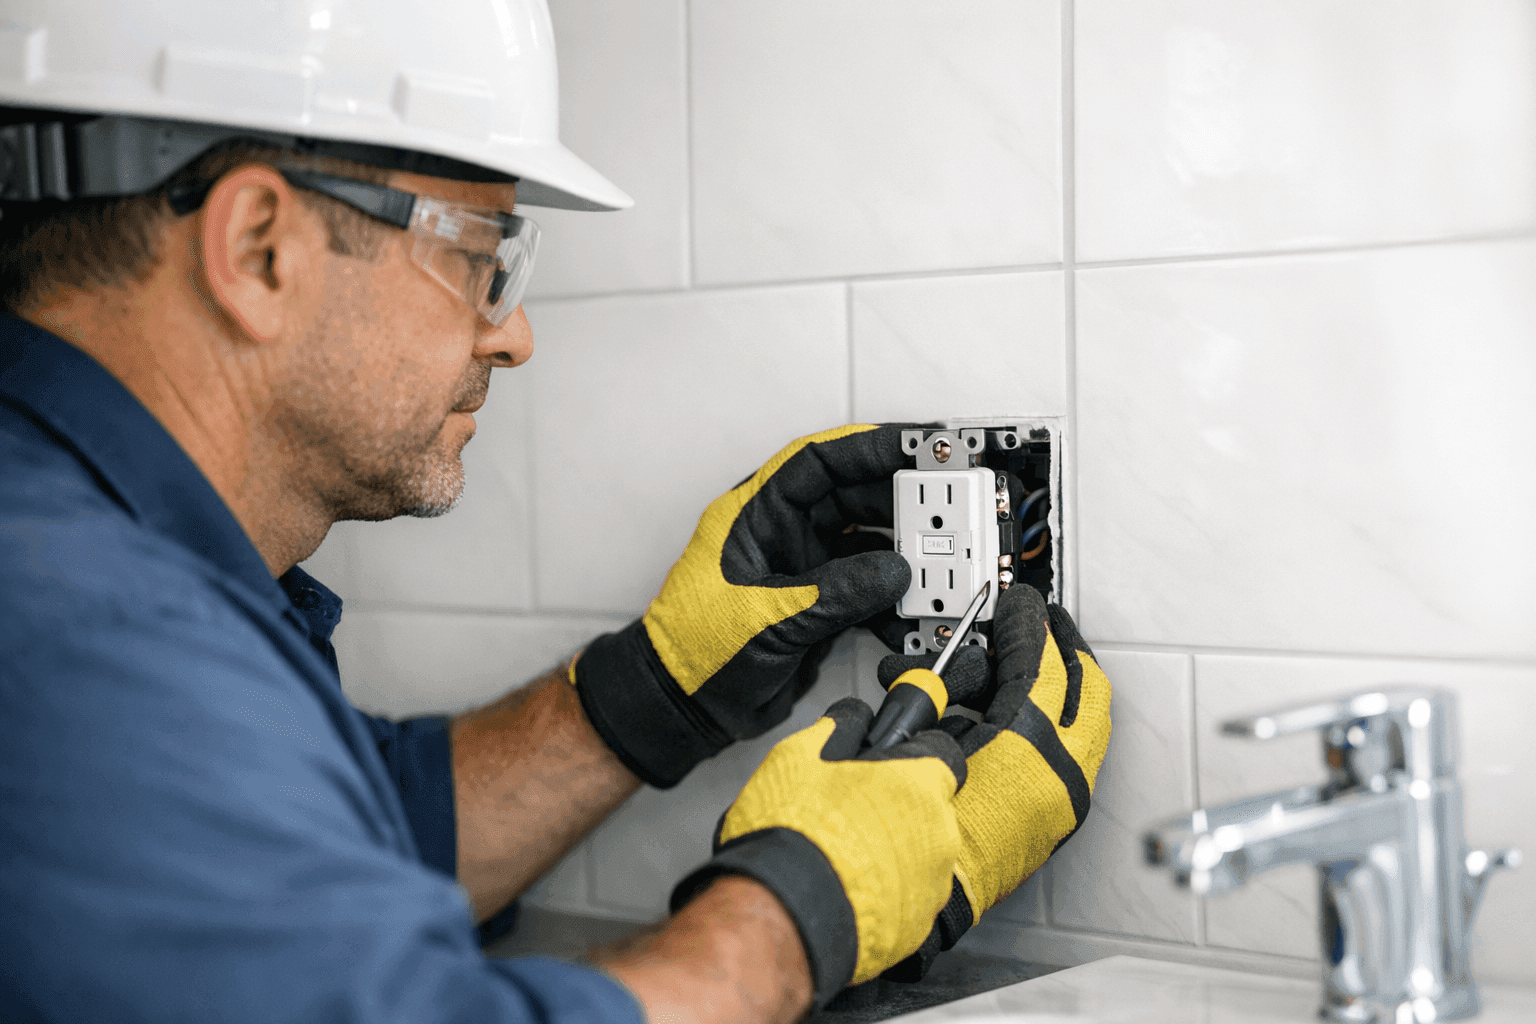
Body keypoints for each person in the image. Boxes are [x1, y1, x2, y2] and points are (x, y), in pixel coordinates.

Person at [0, 2, 1112, 1022]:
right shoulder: (76, 629)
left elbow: (311, 862)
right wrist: (801, 911)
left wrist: (650, 694)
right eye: (479, 255)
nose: (512, 334)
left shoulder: (91, 558)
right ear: (260, 248)